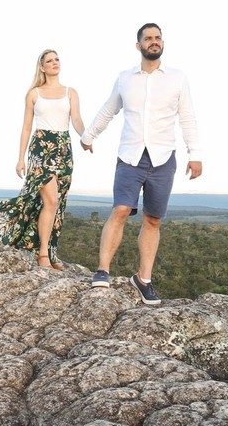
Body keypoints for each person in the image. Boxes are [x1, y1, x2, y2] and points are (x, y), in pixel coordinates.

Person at [81, 22, 202, 305]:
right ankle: (102, 270)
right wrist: (88, 136)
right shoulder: (125, 78)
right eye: (148, 38)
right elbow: (109, 109)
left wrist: (194, 153)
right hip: (130, 156)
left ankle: (143, 279)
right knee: (121, 209)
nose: (154, 41)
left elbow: (187, 117)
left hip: (163, 158)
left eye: (158, 37)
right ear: (139, 46)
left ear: (162, 43)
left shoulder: (177, 78)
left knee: (153, 218)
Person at [0, 49, 86, 268]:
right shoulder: (34, 93)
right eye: (49, 61)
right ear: (42, 67)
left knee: (57, 205)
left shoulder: (71, 92)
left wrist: (86, 137)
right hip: (40, 149)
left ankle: (50, 252)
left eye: (57, 59)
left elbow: (77, 119)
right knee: (50, 200)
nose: (55, 63)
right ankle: (42, 254)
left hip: (63, 150)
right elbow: (26, 128)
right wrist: (20, 158)